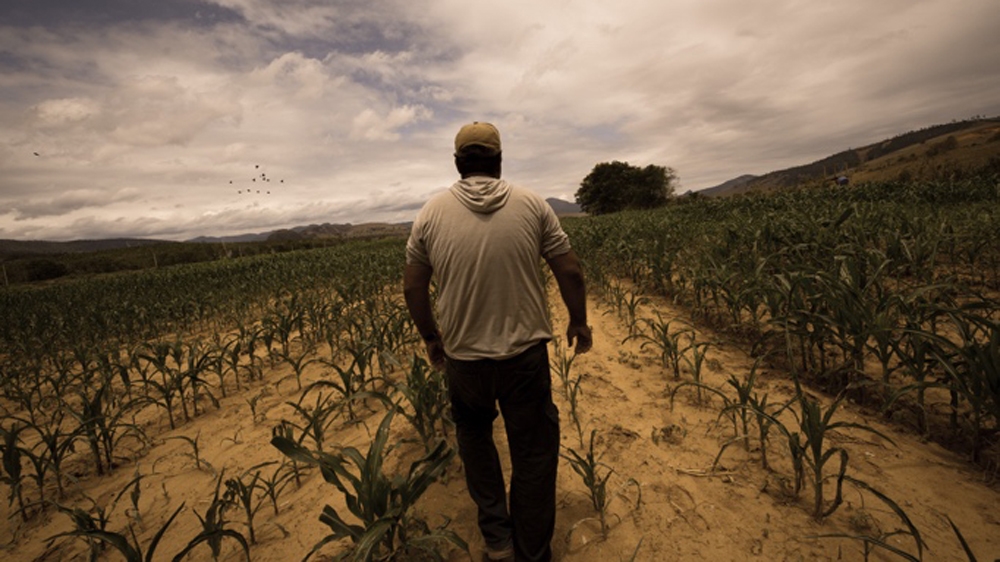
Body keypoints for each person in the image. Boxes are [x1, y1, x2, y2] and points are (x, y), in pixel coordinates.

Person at [403, 121, 592, 562]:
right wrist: (579, 321)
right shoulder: (533, 204)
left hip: (465, 360)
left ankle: (498, 542)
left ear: (457, 163)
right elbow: (570, 270)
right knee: (533, 451)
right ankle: (532, 550)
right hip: (525, 357)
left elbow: (413, 287)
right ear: (499, 160)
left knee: (475, 441)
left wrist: (431, 337)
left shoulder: (430, 213)